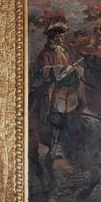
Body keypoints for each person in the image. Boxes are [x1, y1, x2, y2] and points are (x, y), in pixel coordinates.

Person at [34, 22, 82, 159]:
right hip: (52, 87)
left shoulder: (63, 51)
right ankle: (55, 144)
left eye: (63, 36)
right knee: (58, 111)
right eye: (60, 36)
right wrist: (59, 69)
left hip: (67, 87)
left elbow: (70, 66)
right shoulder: (45, 53)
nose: (63, 39)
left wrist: (73, 69)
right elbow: (44, 71)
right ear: (54, 37)